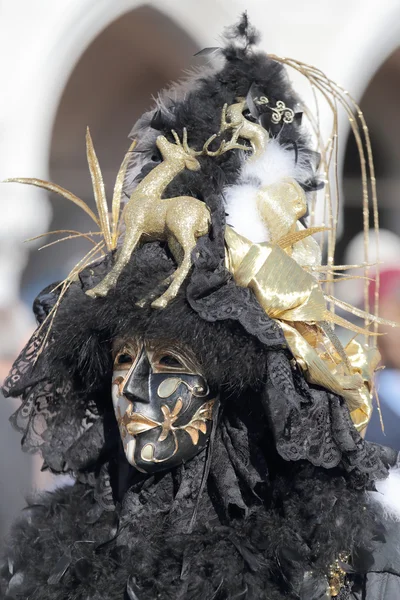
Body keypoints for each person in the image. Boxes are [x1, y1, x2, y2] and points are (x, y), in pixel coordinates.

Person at [2, 16, 400, 600]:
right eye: (123, 358)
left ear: (229, 389)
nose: (132, 388)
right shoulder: (62, 560)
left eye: (169, 360)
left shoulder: (333, 563)